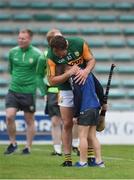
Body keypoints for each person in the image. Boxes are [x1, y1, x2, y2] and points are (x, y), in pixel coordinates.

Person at [47, 36, 104, 167]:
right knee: (67, 123)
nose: (57, 55)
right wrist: (69, 73)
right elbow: (51, 81)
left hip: (83, 86)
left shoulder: (79, 43)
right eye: (55, 52)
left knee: (85, 125)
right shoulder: (51, 55)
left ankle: (89, 158)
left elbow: (91, 60)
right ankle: (68, 159)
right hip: (65, 89)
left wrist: (85, 71)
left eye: (58, 53)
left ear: (65, 48)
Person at [4, 29, 45, 155]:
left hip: (29, 91)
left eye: (23, 38)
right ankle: (13, 143)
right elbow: (11, 70)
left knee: (29, 120)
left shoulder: (38, 54)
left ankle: (28, 147)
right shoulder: (12, 52)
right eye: (19, 38)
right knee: (9, 116)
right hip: (14, 89)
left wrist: (42, 91)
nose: (20, 40)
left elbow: (40, 74)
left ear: (30, 39)